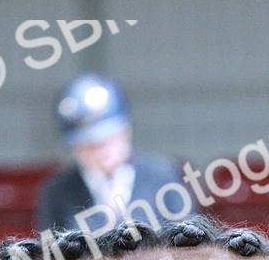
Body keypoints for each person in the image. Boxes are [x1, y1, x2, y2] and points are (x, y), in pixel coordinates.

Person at [37, 73, 180, 235]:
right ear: (73, 148)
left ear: (126, 130)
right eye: (89, 144)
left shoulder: (162, 177)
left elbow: (187, 247)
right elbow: (52, 254)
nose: (100, 150)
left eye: (108, 139)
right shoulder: (58, 192)